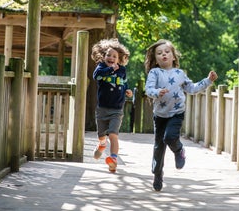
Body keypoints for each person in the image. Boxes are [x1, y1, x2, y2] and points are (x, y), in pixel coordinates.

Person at [144, 39, 218, 191]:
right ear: (155, 59)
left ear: (173, 57)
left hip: (176, 113)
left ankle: (179, 150)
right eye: (159, 53)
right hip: (160, 115)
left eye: (167, 52)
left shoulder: (179, 73)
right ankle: (157, 174)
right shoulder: (154, 72)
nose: (163, 54)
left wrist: (208, 81)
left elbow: (191, 88)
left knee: (169, 137)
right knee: (159, 147)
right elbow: (148, 89)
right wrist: (158, 92)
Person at [91, 38, 133, 173]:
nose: (111, 57)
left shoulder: (122, 70)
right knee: (102, 135)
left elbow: (124, 82)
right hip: (102, 109)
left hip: (117, 109)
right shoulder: (101, 68)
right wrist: (109, 69)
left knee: (113, 135)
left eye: (114, 56)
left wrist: (127, 90)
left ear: (119, 59)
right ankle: (102, 145)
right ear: (104, 56)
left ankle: (113, 159)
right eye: (108, 55)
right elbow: (96, 77)